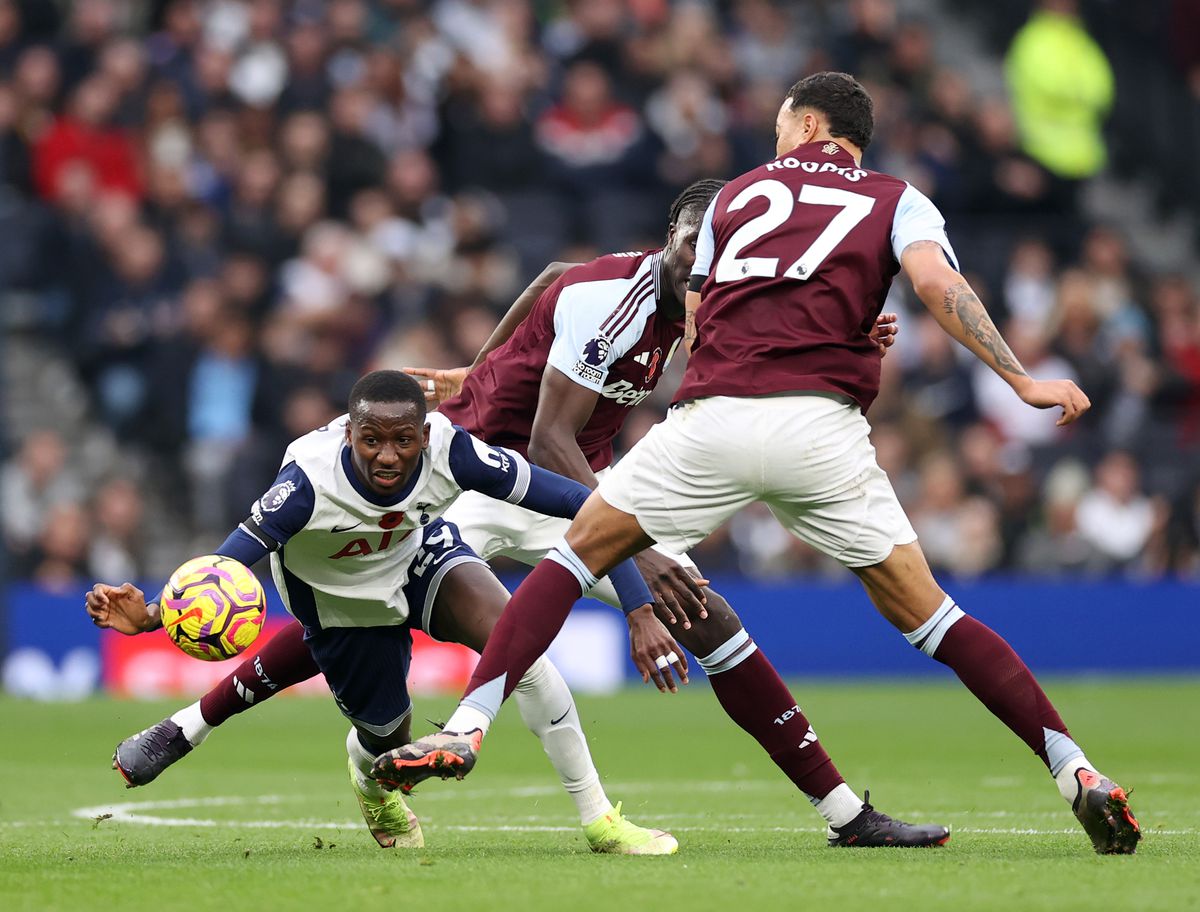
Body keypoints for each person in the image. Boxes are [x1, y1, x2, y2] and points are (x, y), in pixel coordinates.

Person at [376, 73, 1142, 857]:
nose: (778, 140)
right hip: (823, 431)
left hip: (717, 420)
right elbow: (939, 284)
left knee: (571, 560)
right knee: (936, 617)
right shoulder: (896, 198)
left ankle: (468, 729)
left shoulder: (737, 196)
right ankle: (1072, 768)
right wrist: (1019, 377)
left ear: (807, 124)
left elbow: (707, 332)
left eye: (783, 126)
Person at [93, 181, 946, 849]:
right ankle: (206, 722)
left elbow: (548, 284)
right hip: (479, 475)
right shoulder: (614, 298)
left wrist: (850, 343)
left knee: (707, 612)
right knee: (404, 610)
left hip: (559, 482)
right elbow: (550, 436)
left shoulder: (711, 299)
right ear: (673, 239)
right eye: (692, 251)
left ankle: (842, 812)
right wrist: (635, 581)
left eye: (714, 257)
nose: (703, 270)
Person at [86, 370, 680, 855]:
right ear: (349, 435)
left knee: (518, 644)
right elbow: (228, 567)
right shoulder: (306, 483)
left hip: (420, 557)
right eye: (372, 439)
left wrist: (638, 606)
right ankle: (367, 774)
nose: (388, 455)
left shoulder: (453, 450)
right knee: (385, 742)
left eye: (404, 440)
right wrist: (157, 614)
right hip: (339, 603)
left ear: (424, 434)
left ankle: (600, 821)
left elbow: (585, 504)